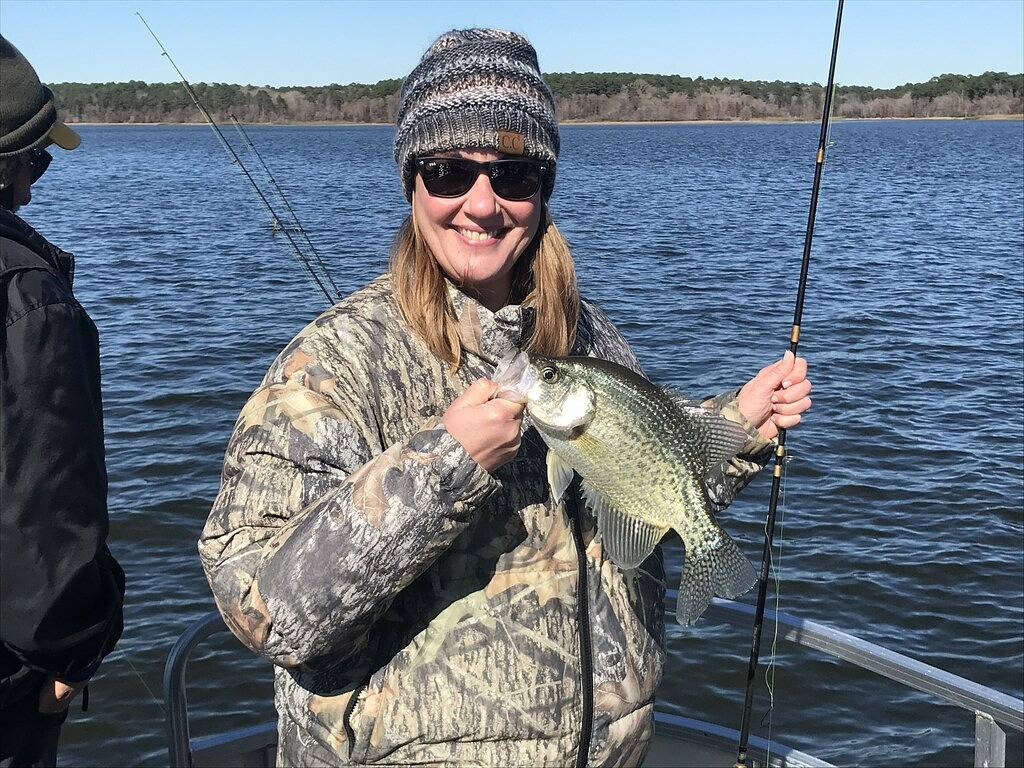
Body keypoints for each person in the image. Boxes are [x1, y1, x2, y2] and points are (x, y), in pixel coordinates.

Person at [200, 28, 811, 767]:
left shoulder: (591, 338)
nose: (483, 205)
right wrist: (443, 466)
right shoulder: (329, 364)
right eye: (448, 171)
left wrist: (736, 424)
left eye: (514, 175)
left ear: (544, 188)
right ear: (411, 182)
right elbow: (262, 610)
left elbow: (643, 483)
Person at [0, 35, 125, 767]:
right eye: (35, 161)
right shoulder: (28, 298)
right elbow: (41, 511)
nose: (36, 184)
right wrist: (72, 652)